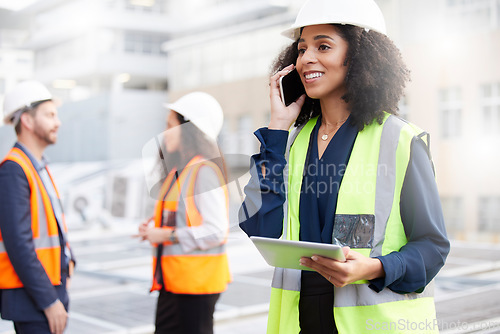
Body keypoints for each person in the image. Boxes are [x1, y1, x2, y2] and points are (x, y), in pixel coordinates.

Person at [238, 0, 450, 333]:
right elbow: (258, 226)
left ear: (360, 56)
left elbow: (432, 247)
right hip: (300, 322)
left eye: (324, 46)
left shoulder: (400, 141)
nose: (307, 58)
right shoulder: (291, 142)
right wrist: (277, 129)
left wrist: (375, 267)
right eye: (302, 48)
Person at [137, 92, 231, 334]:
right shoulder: (180, 171)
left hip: (195, 287)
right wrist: (152, 229)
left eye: (170, 126)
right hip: (176, 283)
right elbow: (178, 217)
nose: (164, 133)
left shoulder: (203, 171)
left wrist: (166, 235)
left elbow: (217, 231)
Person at [0, 80, 75, 334]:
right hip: (36, 300)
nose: (58, 122)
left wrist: (69, 259)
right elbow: (18, 244)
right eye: (50, 115)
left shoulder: (37, 166)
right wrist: (49, 301)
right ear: (28, 121)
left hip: (48, 291)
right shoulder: (14, 170)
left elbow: (50, 227)